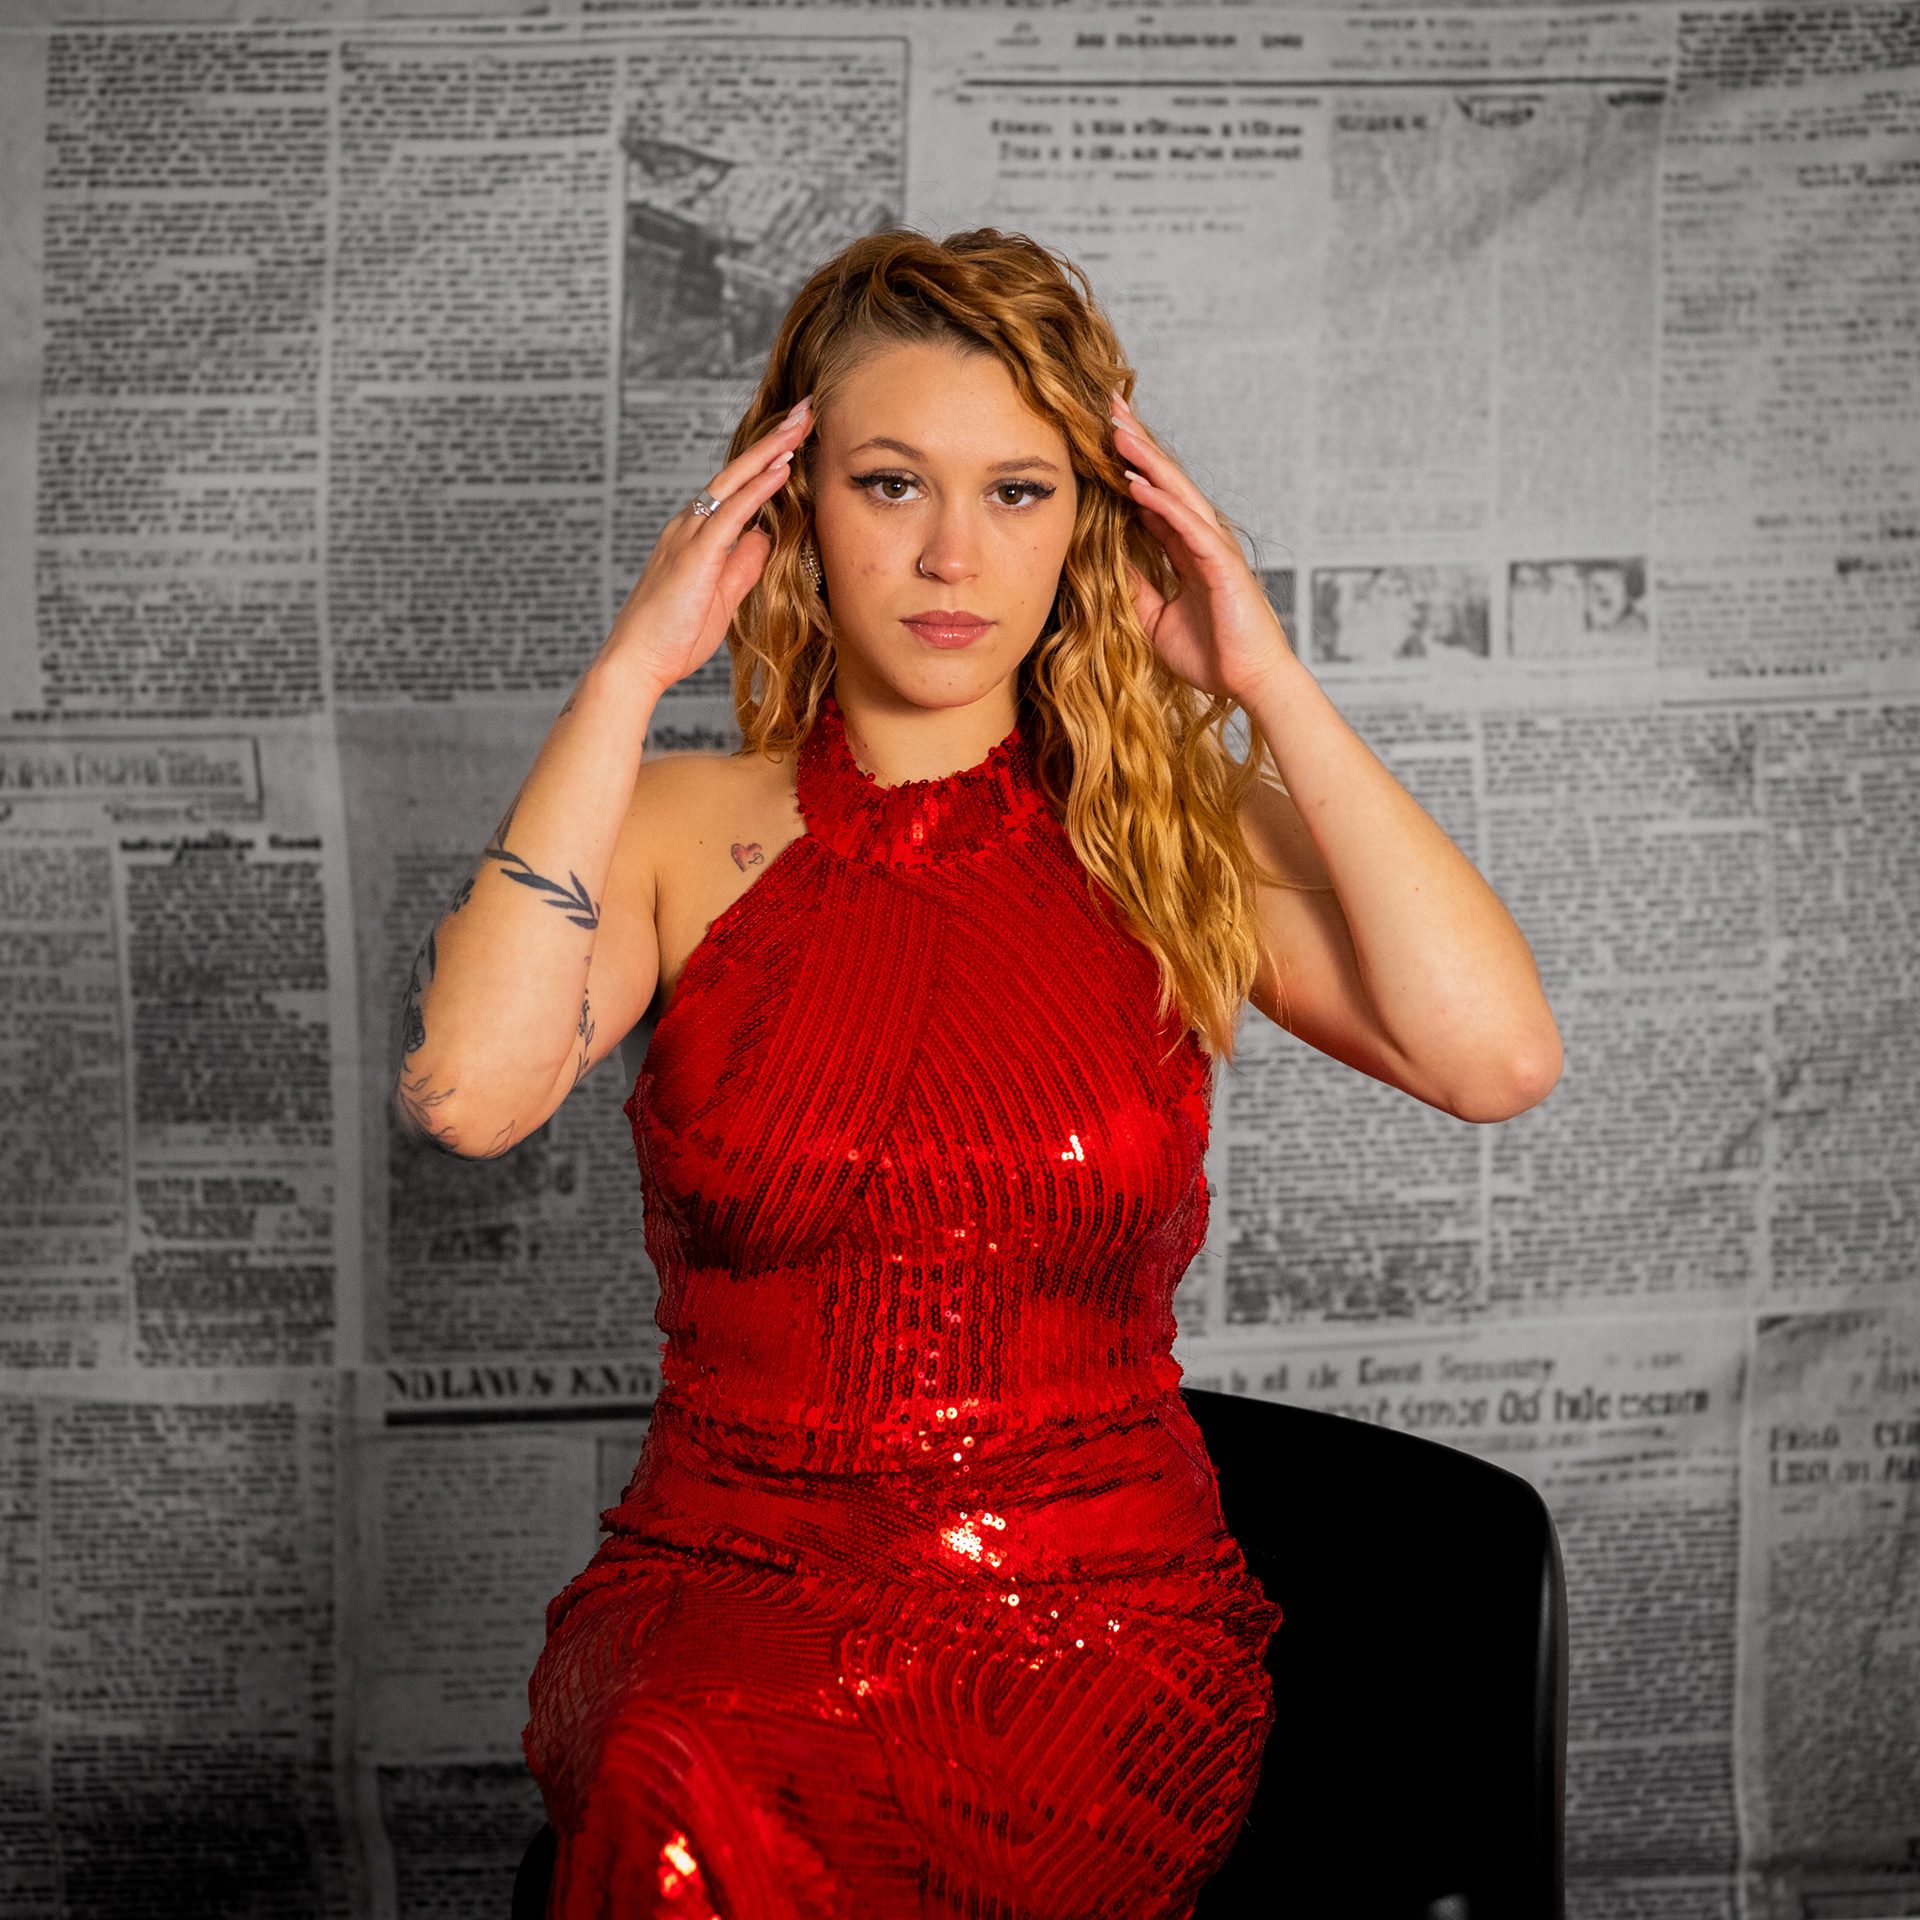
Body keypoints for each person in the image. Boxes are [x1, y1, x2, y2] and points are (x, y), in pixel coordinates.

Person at [394, 228, 1562, 1919]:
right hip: (717, 1599)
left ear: (1091, 522)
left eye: (1019, 492)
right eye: (891, 485)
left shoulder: (1170, 833)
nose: (954, 554)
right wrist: (627, 676)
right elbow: (470, 1095)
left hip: (1093, 1628)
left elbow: (1496, 1060)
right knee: (677, 1788)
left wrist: (1263, 673)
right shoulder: (669, 825)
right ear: (790, 506)